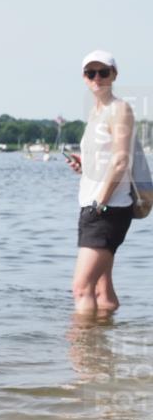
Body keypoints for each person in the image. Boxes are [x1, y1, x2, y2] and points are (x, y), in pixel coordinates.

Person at [66, 50, 135, 315]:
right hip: (96, 205)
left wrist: (100, 202)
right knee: (101, 291)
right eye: (90, 73)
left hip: (107, 208)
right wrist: (84, 165)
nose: (97, 78)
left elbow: (120, 161)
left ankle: (84, 353)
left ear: (114, 75)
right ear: (84, 78)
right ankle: (104, 351)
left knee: (82, 289)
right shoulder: (96, 113)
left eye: (103, 72)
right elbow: (106, 159)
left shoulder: (119, 109)